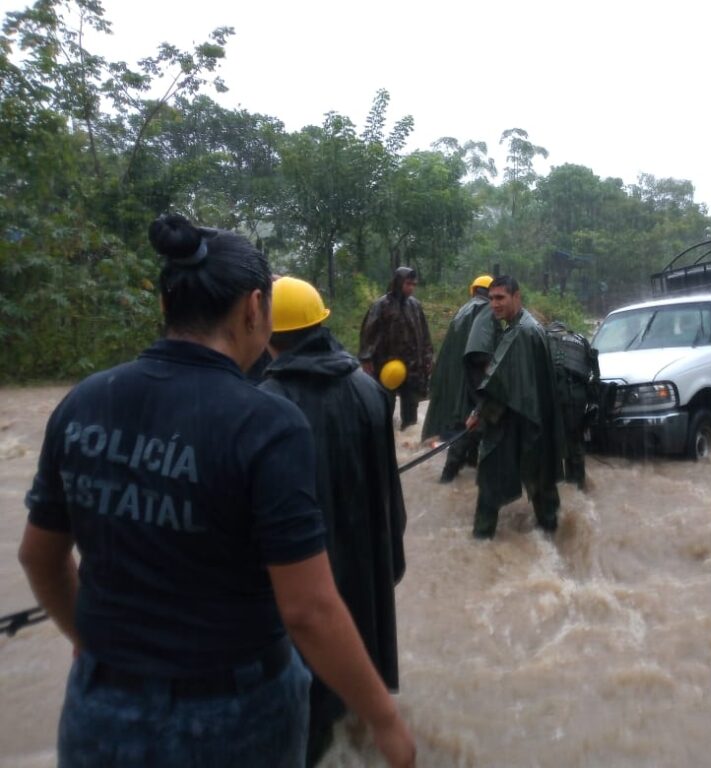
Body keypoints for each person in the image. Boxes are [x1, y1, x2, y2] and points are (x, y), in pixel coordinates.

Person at [18, 214, 415, 768]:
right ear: (254, 308)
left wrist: (89, 640)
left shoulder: (84, 401)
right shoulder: (266, 422)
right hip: (234, 713)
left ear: (165, 307)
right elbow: (308, 610)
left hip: (98, 708)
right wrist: (385, 718)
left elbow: (38, 557)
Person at [259, 277, 408, 766]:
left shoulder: (265, 403)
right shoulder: (368, 390)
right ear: (323, 321)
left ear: (267, 334)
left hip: (304, 579)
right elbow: (393, 500)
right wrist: (391, 562)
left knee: (307, 714)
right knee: (353, 665)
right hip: (365, 568)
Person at [465, 276, 565, 539]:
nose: (494, 305)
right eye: (491, 299)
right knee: (540, 478)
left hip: (518, 419)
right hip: (530, 415)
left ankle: (481, 542)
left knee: (490, 475)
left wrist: (478, 414)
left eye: (501, 298)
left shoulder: (520, 332)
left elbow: (498, 383)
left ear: (517, 297)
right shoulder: (528, 325)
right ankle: (551, 538)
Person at [421, 275, 493, 483]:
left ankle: (454, 474)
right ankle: (452, 474)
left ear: (474, 290)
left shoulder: (462, 311)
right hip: (474, 381)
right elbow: (482, 354)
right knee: (471, 426)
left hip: (455, 382)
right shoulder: (485, 311)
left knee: (464, 426)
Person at [359, 267, 434, 431]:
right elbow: (369, 332)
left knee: (410, 407)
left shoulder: (415, 305)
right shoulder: (381, 305)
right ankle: (385, 438)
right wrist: (366, 358)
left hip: (412, 365)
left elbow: (424, 334)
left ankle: (408, 440)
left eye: (414, 284)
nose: (411, 288)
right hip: (386, 365)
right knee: (385, 405)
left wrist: (428, 357)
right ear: (399, 282)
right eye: (408, 284)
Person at [545, 320, 601, 489]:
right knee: (574, 442)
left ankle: (554, 488)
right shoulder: (581, 339)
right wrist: (592, 402)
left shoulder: (542, 339)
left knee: (548, 443)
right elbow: (594, 374)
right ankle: (578, 486)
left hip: (550, 395)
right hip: (576, 397)